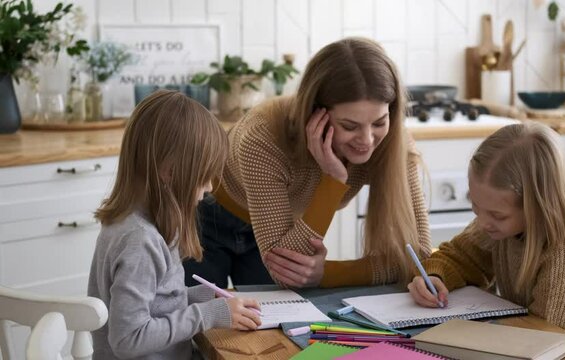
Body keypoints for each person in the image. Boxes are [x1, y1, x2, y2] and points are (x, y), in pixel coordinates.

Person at [183, 37, 431, 289]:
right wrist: (333, 180)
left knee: (271, 323)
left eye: (379, 122)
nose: (367, 140)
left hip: (282, 227)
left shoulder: (394, 142)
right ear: (314, 112)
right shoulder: (262, 137)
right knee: (196, 318)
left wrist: (328, 273)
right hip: (208, 215)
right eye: (349, 126)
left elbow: (419, 257)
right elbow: (285, 270)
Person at [407, 122, 565, 359]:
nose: (482, 222)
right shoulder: (501, 225)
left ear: (537, 206)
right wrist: (435, 276)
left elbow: (548, 343)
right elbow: (461, 256)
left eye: (497, 215)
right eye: (475, 206)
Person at [88, 90, 261, 359]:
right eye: (203, 176)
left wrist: (205, 297)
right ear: (170, 172)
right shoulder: (140, 241)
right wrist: (206, 315)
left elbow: (157, 302)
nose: (209, 187)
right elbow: (128, 338)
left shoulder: (136, 223)